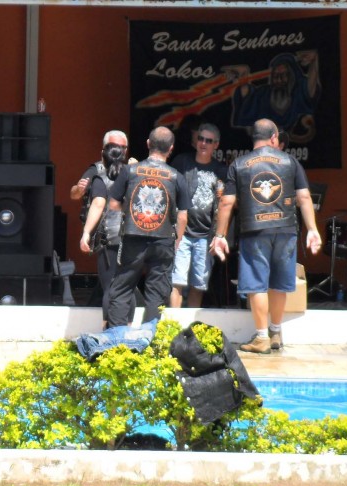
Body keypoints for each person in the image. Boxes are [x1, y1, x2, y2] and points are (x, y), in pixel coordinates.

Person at [211, 119, 322, 354]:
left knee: (257, 285)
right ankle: (275, 332)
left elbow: (226, 202)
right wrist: (312, 229)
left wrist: (220, 234)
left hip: (254, 231)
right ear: (273, 137)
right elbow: (304, 197)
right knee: (279, 284)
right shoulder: (290, 161)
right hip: (286, 229)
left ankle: (261, 337)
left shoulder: (239, 164)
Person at [106, 126, 190, 327]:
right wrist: (177, 241)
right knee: (157, 293)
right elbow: (183, 216)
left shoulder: (129, 171)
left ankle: (116, 337)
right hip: (164, 240)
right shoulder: (177, 177)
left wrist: (131, 211)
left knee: (122, 288)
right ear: (171, 148)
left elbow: (113, 204)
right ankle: (149, 337)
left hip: (133, 237)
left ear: (148, 144)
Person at [79, 130, 135, 326]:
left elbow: (98, 204)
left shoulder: (99, 177)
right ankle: (128, 329)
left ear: (103, 154)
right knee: (128, 287)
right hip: (133, 237)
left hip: (109, 237)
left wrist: (86, 233)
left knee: (110, 286)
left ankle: (108, 329)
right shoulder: (133, 173)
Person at [169, 123, 227, 308]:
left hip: (205, 236)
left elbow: (226, 204)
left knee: (198, 285)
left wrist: (219, 235)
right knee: (176, 281)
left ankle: (191, 325)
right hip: (182, 234)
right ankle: (173, 322)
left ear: (215, 145)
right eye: (201, 138)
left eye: (208, 141)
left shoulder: (221, 170)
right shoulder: (181, 162)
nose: (203, 143)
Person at [225, 51, 320, 144]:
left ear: (291, 76)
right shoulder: (263, 94)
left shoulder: (298, 94)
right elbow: (247, 98)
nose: (279, 80)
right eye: (275, 75)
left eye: (283, 75)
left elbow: (310, 88)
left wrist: (313, 61)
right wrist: (244, 74)